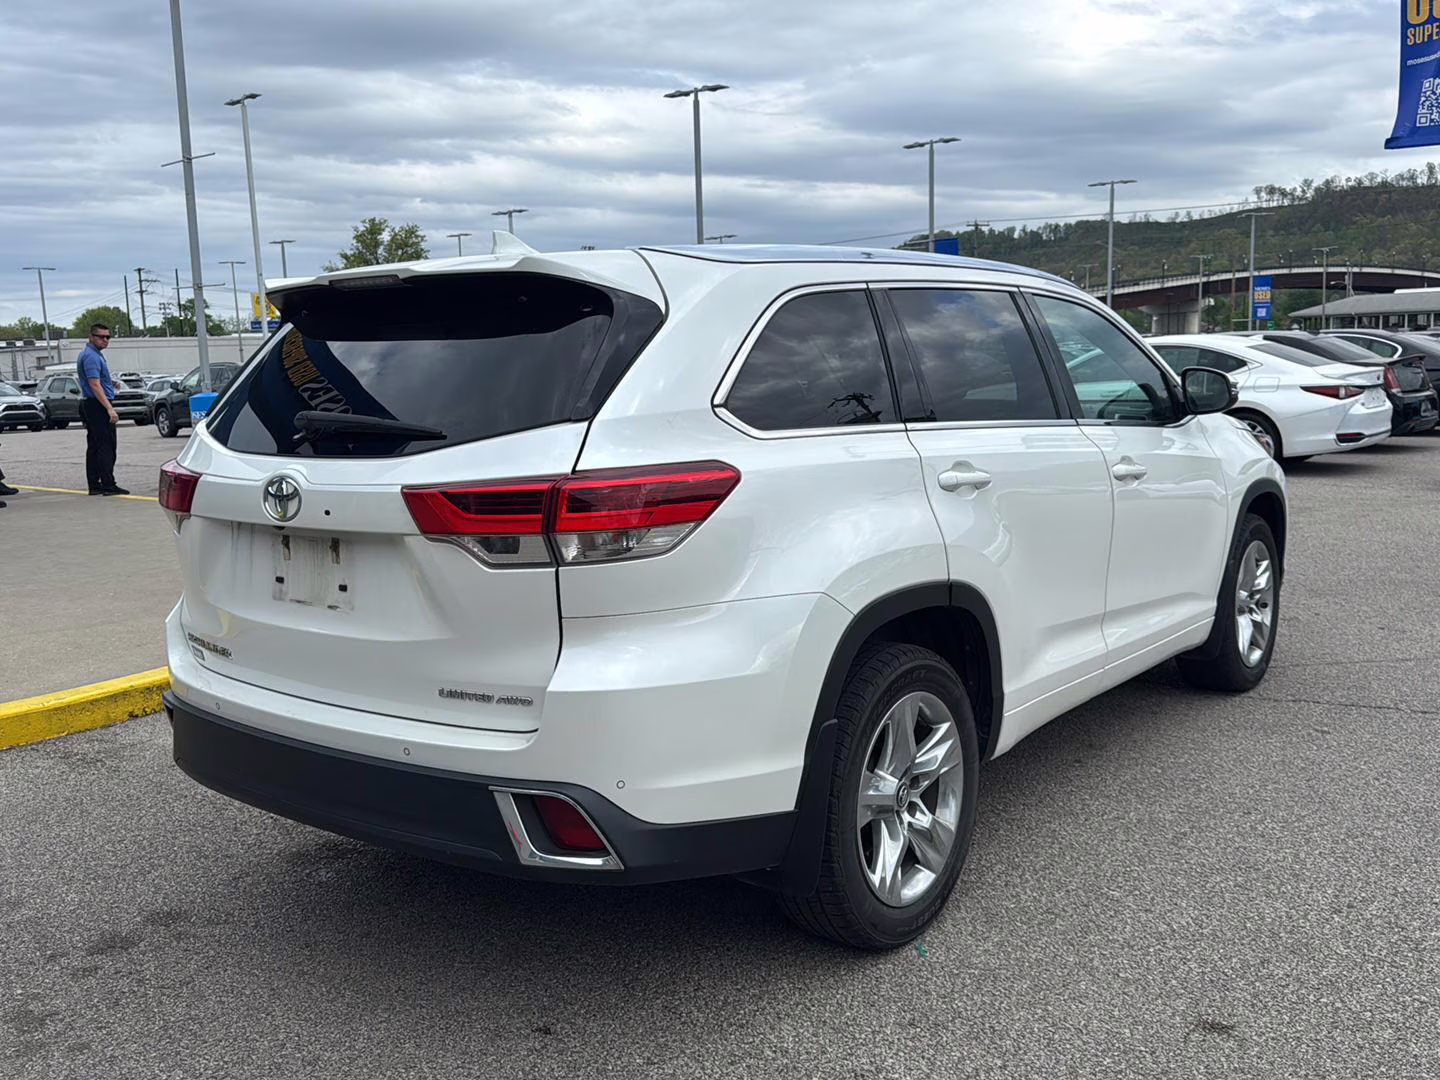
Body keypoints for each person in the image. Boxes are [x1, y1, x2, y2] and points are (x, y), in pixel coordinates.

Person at [77, 322, 129, 496]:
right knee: (106, 445)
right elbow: (94, 384)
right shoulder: (91, 356)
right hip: (96, 405)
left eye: (108, 337)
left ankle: (95, 484)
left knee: (95, 445)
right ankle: (108, 484)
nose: (105, 340)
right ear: (91, 337)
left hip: (91, 404)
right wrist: (109, 409)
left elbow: (97, 381)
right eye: (101, 337)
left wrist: (111, 383)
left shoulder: (93, 354)